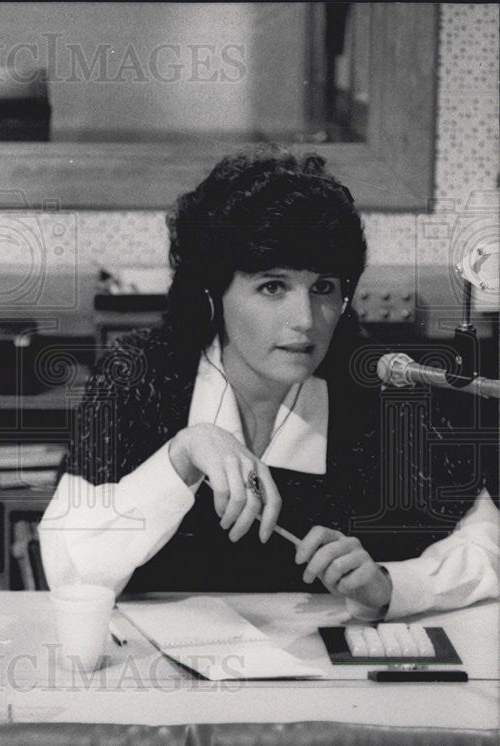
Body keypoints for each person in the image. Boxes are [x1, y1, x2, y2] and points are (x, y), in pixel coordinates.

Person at [40, 146, 499, 620]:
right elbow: (66, 567)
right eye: (272, 287)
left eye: (323, 288)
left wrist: (391, 584)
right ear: (213, 294)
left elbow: (488, 544)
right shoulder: (140, 373)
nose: (304, 320)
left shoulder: (374, 386)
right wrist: (182, 455)